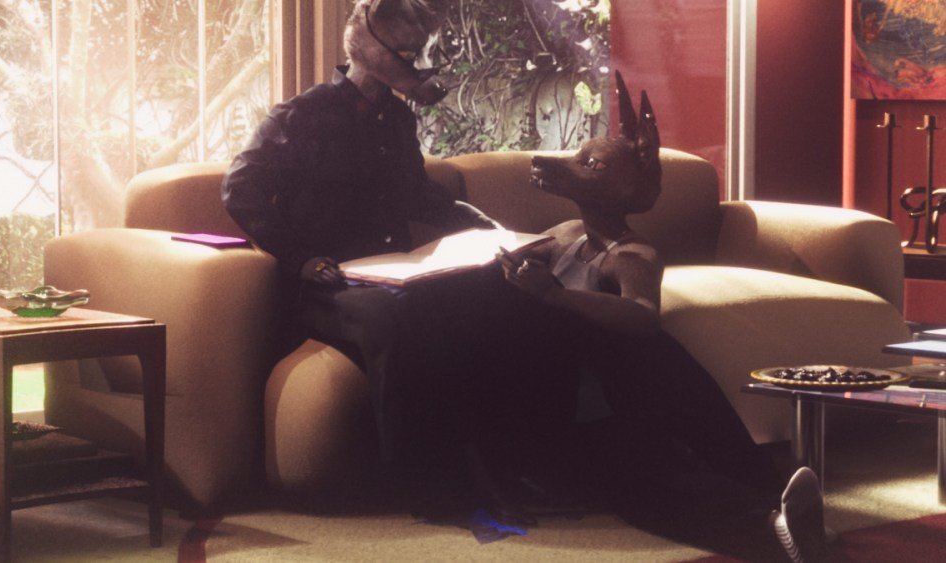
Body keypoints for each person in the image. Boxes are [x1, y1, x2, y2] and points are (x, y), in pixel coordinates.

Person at [486, 72, 831, 560]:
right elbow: (519, 259)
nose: (570, 166)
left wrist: (556, 297)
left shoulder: (632, 255)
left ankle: (767, 513)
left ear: (625, 187)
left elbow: (643, 317)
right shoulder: (564, 233)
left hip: (601, 396)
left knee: (650, 423)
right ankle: (769, 515)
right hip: (563, 399)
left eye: (592, 165)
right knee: (645, 457)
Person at [221, 0, 518, 509]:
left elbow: (416, 195)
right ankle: (418, 482)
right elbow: (239, 188)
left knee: (481, 298)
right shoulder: (302, 115)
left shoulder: (397, 121)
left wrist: (481, 224)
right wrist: (301, 258)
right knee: (392, 319)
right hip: (328, 284)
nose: (417, 65)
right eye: (406, 53)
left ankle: (501, 466)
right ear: (370, 48)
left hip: (393, 274)